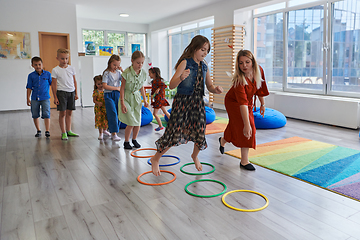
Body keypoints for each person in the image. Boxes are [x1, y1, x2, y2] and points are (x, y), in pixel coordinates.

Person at [150, 35, 223, 176]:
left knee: (200, 132)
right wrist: (181, 77)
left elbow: (210, 85)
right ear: (195, 48)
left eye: (207, 51)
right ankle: (156, 159)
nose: (204, 53)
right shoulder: (185, 62)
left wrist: (216, 89)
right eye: (202, 49)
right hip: (182, 102)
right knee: (173, 133)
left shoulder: (205, 65)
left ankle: (194, 156)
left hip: (197, 103)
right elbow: (171, 85)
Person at [219, 49, 269, 171]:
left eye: (247, 62)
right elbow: (242, 104)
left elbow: (260, 87)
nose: (244, 66)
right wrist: (247, 125)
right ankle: (244, 161)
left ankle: (223, 140)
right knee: (247, 125)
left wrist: (262, 104)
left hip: (248, 101)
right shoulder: (239, 80)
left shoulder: (259, 70)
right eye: (241, 63)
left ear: (252, 62)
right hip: (233, 102)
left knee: (236, 125)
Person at [119, 50, 149, 149]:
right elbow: (122, 88)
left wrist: (145, 100)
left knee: (138, 121)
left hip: (136, 98)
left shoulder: (143, 73)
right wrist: (122, 102)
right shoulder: (126, 73)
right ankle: (126, 142)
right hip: (127, 98)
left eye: (142, 63)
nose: (140, 65)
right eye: (138, 62)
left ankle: (134, 139)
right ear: (132, 61)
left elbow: (141, 87)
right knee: (131, 122)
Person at [51, 48, 79, 140]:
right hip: (61, 93)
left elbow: (74, 81)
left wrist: (76, 93)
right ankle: (63, 132)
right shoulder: (55, 70)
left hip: (71, 92)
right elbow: (53, 84)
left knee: (69, 113)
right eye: (62, 58)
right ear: (57, 58)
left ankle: (69, 130)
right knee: (62, 113)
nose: (64, 61)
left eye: (66, 58)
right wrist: (55, 97)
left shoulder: (72, 68)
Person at [26, 56, 52, 138]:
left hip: (45, 98)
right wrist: (28, 98)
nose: (38, 66)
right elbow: (29, 87)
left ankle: (47, 131)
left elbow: (53, 84)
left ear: (42, 64)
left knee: (46, 114)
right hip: (35, 98)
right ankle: (38, 130)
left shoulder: (48, 74)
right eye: (35, 65)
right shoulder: (31, 76)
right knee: (35, 114)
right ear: (32, 65)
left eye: (39, 64)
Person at [102, 54, 123, 141]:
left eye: (117, 65)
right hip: (109, 95)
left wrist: (122, 70)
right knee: (112, 113)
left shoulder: (118, 73)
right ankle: (114, 133)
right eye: (114, 65)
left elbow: (126, 80)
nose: (116, 67)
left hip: (117, 95)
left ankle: (113, 130)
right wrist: (117, 88)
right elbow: (105, 86)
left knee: (119, 113)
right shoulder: (106, 73)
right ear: (110, 63)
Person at [149, 67, 170, 131]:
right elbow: (153, 90)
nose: (149, 75)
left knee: (155, 114)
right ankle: (173, 123)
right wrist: (152, 96)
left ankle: (161, 126)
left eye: (150, 73)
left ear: (154, 73)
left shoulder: (158, 81)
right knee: (165, 112)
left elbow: (164, 85)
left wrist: (158, 89)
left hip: (159, 99)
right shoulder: (154, 82)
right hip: (159, 99)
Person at [93, 75, 111, 140]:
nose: (100, 85)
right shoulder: (96, 91)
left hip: (105, 107)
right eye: (98, 84)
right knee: (100, 120)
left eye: (101, 83)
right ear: (96, 84)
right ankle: (100, 133)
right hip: (99, 108)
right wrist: (98, 103)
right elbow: (94, 100)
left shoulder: (106, 90)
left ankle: (105, 130)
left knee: (106, 119)